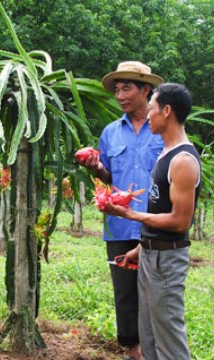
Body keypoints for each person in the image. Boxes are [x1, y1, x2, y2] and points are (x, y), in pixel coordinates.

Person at [104, 83, 201, 360]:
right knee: (148, 339)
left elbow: (180, 221)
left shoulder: (182, 159)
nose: (148, 116)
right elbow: (160, 205)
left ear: (167, 111)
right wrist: (142, 246)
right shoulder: (164, 154)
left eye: (153, 110)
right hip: (151, 254)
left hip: (167, 262)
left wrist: (130, 215)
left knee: (169, 340)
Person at [76, 61, 164, 360]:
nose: (121, 95)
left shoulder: (163, 130)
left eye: (127, 88)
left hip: (156, 223)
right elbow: (109, 175)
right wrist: (96, 167)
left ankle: (157, 350)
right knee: (125, 294)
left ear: (145, 90)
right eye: (117, 90)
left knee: (156, 294)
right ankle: (133, 352)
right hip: (119, 225)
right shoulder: (111, 133)